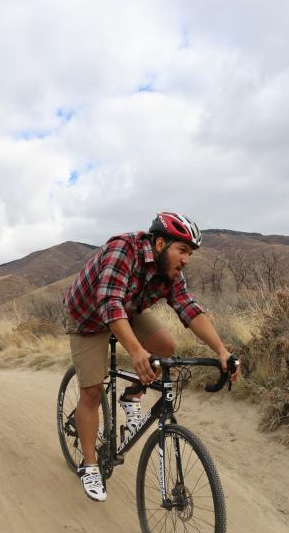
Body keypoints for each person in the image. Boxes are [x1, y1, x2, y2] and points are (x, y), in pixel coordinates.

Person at [63, 212, 239, 502]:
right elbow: (109, 303)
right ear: (159, 244)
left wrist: (221, 350)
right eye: (182, 250)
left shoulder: (171, 274)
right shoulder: (123, 250)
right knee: (92, 391)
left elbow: (189, 308)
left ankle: (131, 396)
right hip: (88, 318)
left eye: (190, 253)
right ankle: (90, 464)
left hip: (127, 309)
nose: (186, 259)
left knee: (165, 347)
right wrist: (136, 352)